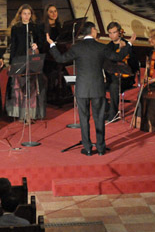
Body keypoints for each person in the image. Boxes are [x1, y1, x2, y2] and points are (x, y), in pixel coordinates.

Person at [46, 21, 131, 156]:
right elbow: (118, 57)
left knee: (84, 119)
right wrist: (129, 44)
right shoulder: (101, 47)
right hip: (97, 87)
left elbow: (61, 59)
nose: (96, 31)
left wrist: (52, 44)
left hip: (82, 88)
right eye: (95, 29)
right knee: (99, 118)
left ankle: (87, 148)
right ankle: (101, 148)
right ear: (92, 30)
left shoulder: (76, 47)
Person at [6, 4, 46, 121]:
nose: (27, 16)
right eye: (24, 14)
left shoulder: (35, 27)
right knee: (19, 87)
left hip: (32, 59)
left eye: (29, 14)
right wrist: (11, 63)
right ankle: (20, 113)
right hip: (19, 59)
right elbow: (13, 46)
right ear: (20, 15)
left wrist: (37, 45)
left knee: (31, 86)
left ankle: (30, 114)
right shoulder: (16, 28)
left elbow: (41, 41)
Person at [103, 22, 138, 123]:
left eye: (114, 32)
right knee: (97, 85)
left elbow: (135, 65)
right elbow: (109, 62)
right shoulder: (108, 47)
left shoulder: (128, 45)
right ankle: (107, 109)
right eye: (110, 33)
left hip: (126, 78)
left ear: (119, 32)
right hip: (111, 77)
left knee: (114, 86)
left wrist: (126, 50)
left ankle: (113, 115)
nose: (112, 35)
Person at [40, 4, 73, 106]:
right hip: (48, 58)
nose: (54, 14)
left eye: (55, 11)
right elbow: (42, 44)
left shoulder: (59, 26)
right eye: (51, 12)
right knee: (55, 71)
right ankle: (54, 96)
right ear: (46, 13)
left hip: (58, 55)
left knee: (65, 71)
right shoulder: (42, 27)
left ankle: (66, 95)